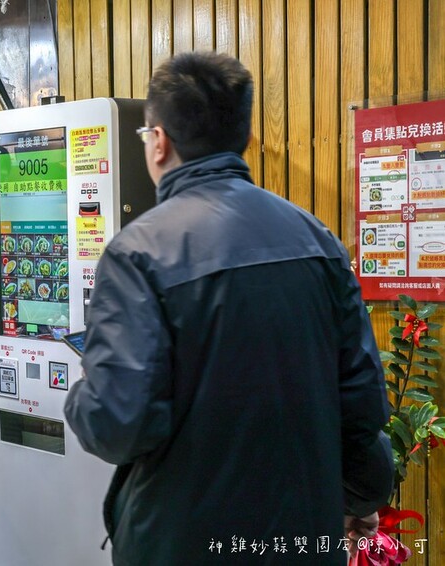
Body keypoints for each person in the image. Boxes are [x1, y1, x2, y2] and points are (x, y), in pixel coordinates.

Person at [63, 51, 394, 565]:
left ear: (159, 142)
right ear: (239, 135)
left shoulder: (137, 255)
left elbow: (116, 423)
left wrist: (80, 394)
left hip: (180, 541)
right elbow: (361, 399)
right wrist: (361, 499)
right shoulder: (318, 241)